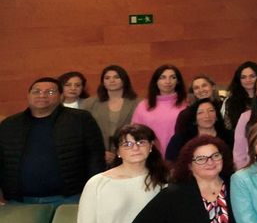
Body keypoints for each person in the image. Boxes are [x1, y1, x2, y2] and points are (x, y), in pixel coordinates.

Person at [0, 76, 106, 204]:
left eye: (50, 92)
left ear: (61, 96)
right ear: (28, 96)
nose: (42, 95)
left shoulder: (80, 120)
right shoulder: (10, 124)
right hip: (20, 201)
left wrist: (93, 191)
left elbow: (95, 157)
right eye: (36, 91)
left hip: (70, 198)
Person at [86, 65, 138, 159]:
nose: (112, 80)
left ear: (124, 80)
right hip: (98, 153)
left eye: (116, 77)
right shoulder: (90, 103)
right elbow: (86, 132)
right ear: (103, 82)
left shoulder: (138, 103)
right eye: (107, 78)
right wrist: (101, 151)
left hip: (129, 151)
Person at [132, 65, 186, 151]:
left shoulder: (186, 105)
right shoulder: (143, 106)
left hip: (179, 154)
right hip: (150, 155)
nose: (168, 81)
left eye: (173, 77)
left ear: (178, 81)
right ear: (156, 81)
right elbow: (135, 134)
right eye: (162, 77)